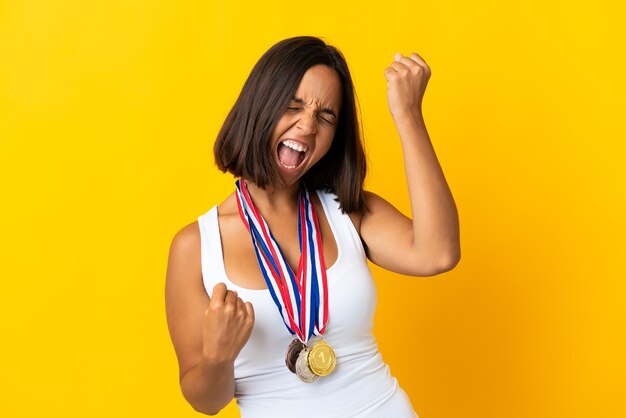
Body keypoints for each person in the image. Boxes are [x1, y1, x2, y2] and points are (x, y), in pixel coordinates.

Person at [165, 36, 460, 417]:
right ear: (260, 109)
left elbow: (438, 253)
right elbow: (206, 401)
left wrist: (408, 115)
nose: (307, 126)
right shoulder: (196, 246)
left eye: (326, 117)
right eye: (293, 106)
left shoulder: (347, 210)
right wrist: (219, 356)